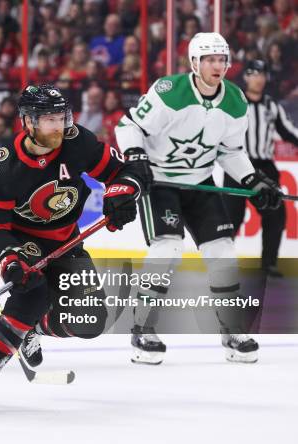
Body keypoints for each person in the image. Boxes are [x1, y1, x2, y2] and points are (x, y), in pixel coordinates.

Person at [0, 84, 151, 414]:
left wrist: (119, 194)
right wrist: (11, 263)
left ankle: (34, 325)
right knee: (31, 294)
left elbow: (125, 170)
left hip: (66, 240)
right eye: (49, 120)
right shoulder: (1, 165)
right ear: (28, 122)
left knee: (90, 321)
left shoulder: (78, 142)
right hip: (22, 242)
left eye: (61, 117)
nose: (58, 126)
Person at [114, 33, 284, 365]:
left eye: (222, 59)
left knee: (222, 250)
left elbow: (230, 152)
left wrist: (254, 180)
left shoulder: (235, 100)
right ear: (194, 62)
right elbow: (128, 125)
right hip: (159, 182)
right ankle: (142, 327)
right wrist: (135, 157)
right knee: (168, 247)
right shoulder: (169, 92)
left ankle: (231, 330)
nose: (217, 65)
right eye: (209, 59)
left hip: (201, 181)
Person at [223, 60, 298, 278]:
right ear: (246, 77)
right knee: (231, 218)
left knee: (275, 214)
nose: (259, 78)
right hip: (237, 165)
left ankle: (269, 264)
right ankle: (223, 265)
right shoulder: (235, 103)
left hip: (264, 167)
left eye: (262, 74)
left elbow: (288, 132)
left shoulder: (271, 105)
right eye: (254, 74)